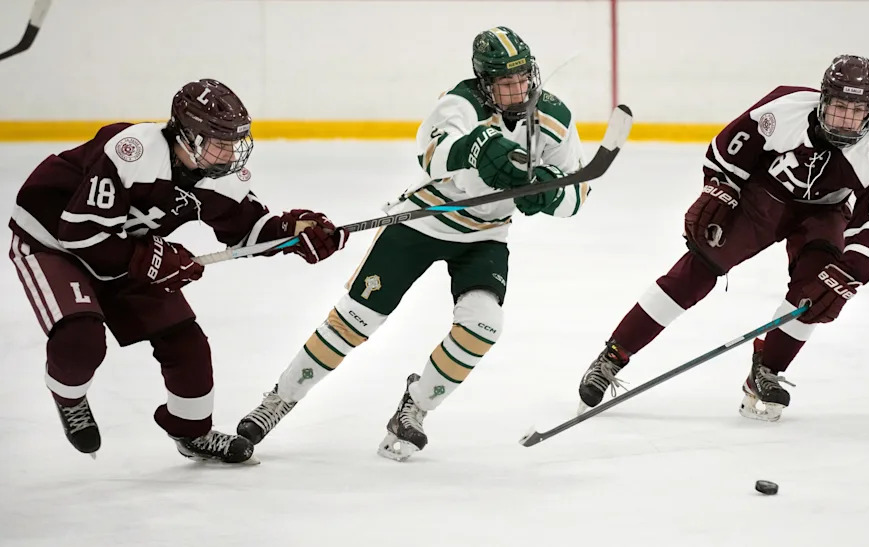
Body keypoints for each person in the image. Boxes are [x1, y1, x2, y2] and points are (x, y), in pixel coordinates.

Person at [237, 26, 589, 461]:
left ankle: (415, 408)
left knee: (484, 326)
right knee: (355, 321)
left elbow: (577, 193)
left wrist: (550, 194)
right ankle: (278, 400)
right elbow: (432, 153)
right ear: (484, 82)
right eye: (505, 82)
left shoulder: (553, 118)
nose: (518, 90)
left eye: (523, 79)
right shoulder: (460, 102)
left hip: (485, 236)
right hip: (423, 221)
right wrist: (473, 150)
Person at [8, 79, 348, 464]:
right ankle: (69, 398)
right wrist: (153, 258)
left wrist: (292, 233)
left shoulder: (216, 174)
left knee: (187, 343)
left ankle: (192, 432)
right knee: (81, 338)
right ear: (187, 137)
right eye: (219, 141)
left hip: (123, 247)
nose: (231, 152)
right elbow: (81, 233)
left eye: (235, 141)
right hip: (52, 241)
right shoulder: (131, 151)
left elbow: (246, 230)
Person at [576, 55, 869, 422]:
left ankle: (766, 371)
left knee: (816, 291)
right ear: (823, 99)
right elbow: (730, 149)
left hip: (824, 213)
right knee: (696, 270)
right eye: (839, 106)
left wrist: (848, 274)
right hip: (764, 199)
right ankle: (612, 356)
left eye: (856, 110)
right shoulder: (786, 108)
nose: (845, 119)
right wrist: (720, 188)